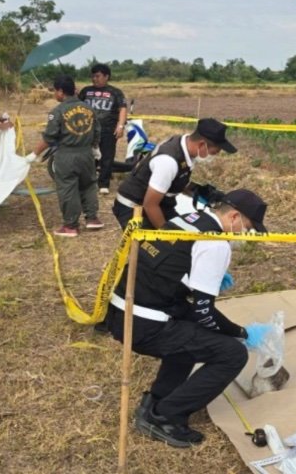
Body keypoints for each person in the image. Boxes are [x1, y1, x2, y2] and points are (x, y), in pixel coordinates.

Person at [104, 189, 271, 447]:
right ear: (234, 217)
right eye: (247, 228)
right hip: (144, 325)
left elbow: (173, 268)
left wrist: (202, 281)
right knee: (232, 353)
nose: (244, 234)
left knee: (193, 335)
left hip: (120, 312)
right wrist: (240, 333)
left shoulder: (188, 219)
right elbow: (204, 311)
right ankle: (165, 416)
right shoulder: (215, 243)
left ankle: (158, 398)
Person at [112, 118, 237, 230]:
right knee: (164, 246)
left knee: (187, 236)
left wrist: (200, 191)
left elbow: (174, 179)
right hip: (134, 207)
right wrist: (167, 237)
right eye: (214, 152)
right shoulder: (168, 161)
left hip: (161, 204)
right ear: (201, 145)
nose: (214, 156)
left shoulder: (184, 145)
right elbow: (150, 205)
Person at [27, 75, 103, 237]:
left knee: (68, 188)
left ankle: (70, 225)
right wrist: (95, 147)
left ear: (61, 91)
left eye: (55, 91)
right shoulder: (89, 108)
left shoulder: (57, 111)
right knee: (89, 185)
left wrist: (34, 154)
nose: (55, 94)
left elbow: (49, 137)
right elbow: (97, 130)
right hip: (87, 154)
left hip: (67, 154)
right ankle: (92, 218)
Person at [78, 64, 128, 195]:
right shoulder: (86, 91)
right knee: (88, 156)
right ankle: (88, 182)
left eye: (98, 76)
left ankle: (104, 184)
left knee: (107, 157)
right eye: (93, 76)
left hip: (108, 130)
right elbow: (76, 105)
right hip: (88, 130)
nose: (94, 79)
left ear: (106, 76)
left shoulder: (115, 92)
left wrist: (120, 126)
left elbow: (122, 109)